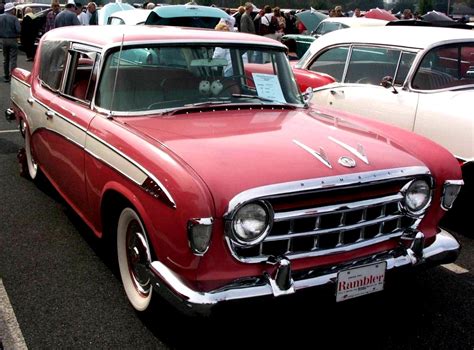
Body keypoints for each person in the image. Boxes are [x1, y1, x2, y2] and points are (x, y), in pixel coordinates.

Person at [0, 2, 20, 82]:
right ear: (11, 10)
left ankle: (6, 75)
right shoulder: (14, 18)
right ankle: (13, 75)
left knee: (5, 58)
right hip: (12, 39)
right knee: (13, 59)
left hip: (2, 40)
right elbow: (18, 30)